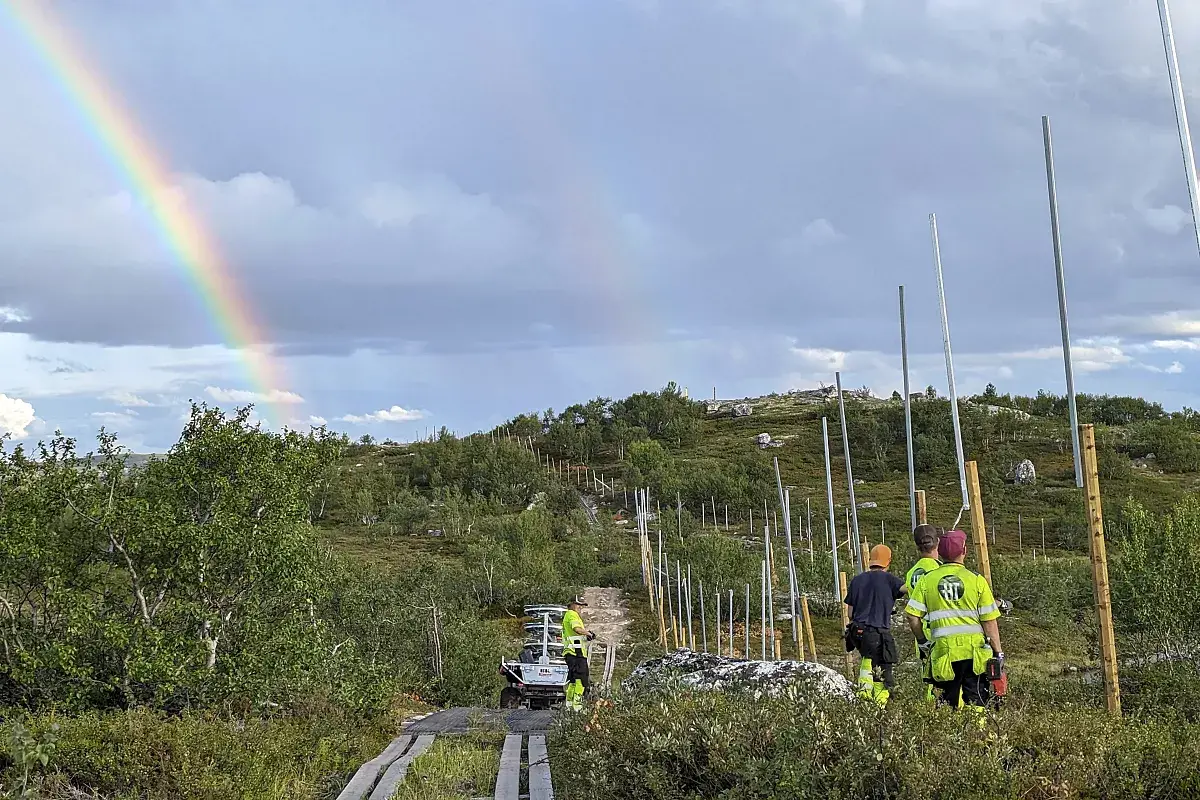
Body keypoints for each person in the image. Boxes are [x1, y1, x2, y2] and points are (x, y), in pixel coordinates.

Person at [904, 530, 1004, 716]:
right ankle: (976, 737)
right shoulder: (976, 580)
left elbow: (912, 615)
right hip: (974, 653)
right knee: (976, 700)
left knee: (947, 702)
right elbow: (989, 621)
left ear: (940, 551)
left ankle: (948, 739)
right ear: (964, 551)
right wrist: (998, 652)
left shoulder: (927, 580)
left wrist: (923, 641)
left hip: (943, 653)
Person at [844, 544, 906, 705]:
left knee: (867, 659)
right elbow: (907, 589)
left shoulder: (857, 580)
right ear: (889, 561)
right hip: (878, 632)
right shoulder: (890, 580)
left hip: (857, 632)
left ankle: (863, 697)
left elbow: (850, 613)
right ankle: (880, 706)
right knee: (884, 670)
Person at [905, 524, 942, 702]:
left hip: (920, 631)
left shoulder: (911, 572)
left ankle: (930, 715)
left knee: (928, 677)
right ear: (938, 543)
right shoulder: (939, 570)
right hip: (939, 629)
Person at [562, 597, 596, 711]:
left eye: (582, 605)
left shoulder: (568, 615)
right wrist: (589, 633)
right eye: (578, 605)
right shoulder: (572, 614)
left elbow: (575, 635)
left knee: (573, 680)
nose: (580, 607)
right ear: (571, 604)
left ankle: (569, 705)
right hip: (576, 653)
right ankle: (577, 707)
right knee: (581, 680)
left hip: (571, 653)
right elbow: (576, 629)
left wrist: (585, 637)